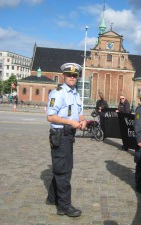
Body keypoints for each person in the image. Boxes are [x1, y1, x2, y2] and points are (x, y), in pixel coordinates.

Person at [46, 62, 86, 217]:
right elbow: (50, 116)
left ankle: (52, 198)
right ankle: (64, 206)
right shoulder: (58, 93)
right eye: (69, 74)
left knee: (64, 167)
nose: (72, 77)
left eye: (75, 75)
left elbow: (79, 112)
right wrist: (71, 122)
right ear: (64, 76)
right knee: (64, 171)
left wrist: (82, 121)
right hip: (60, 135)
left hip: (69, 135)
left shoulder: (75, 93)